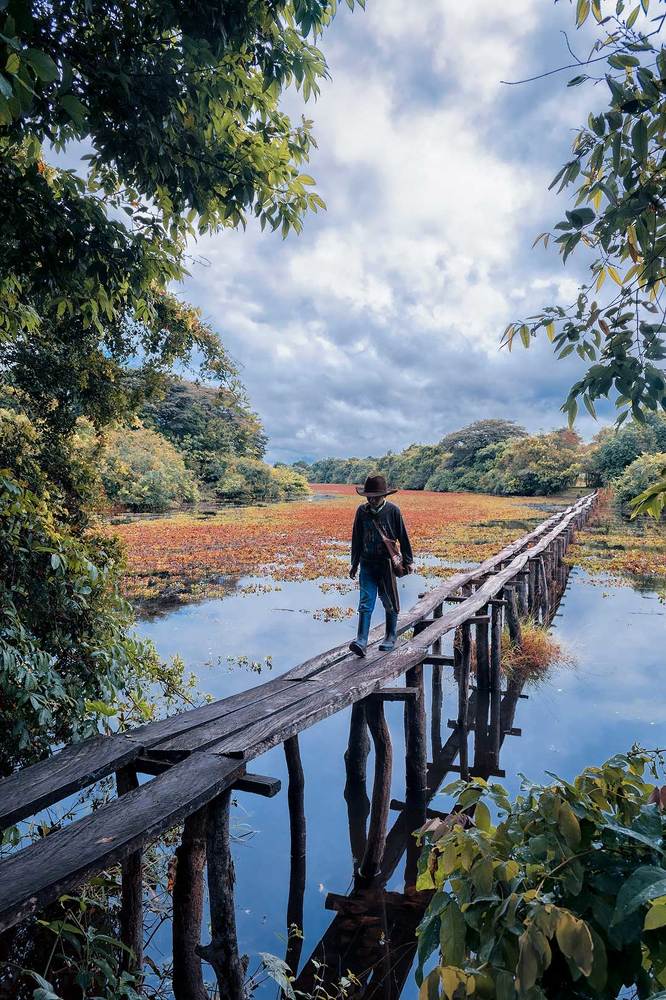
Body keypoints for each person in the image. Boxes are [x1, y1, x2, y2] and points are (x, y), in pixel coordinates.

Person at [349, 474, 414, 657]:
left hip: (386, 565)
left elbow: (403, 537)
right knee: (365, 601)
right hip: (367, 564)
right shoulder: (361, 512)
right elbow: (356, 538)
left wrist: (408, 561)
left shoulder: (393, 511)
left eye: (375, 497)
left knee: (389, 601)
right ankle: (361, 641)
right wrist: (354, 564)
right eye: (369, 497)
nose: (371, 500)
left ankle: (390, 636)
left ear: (384, 496)